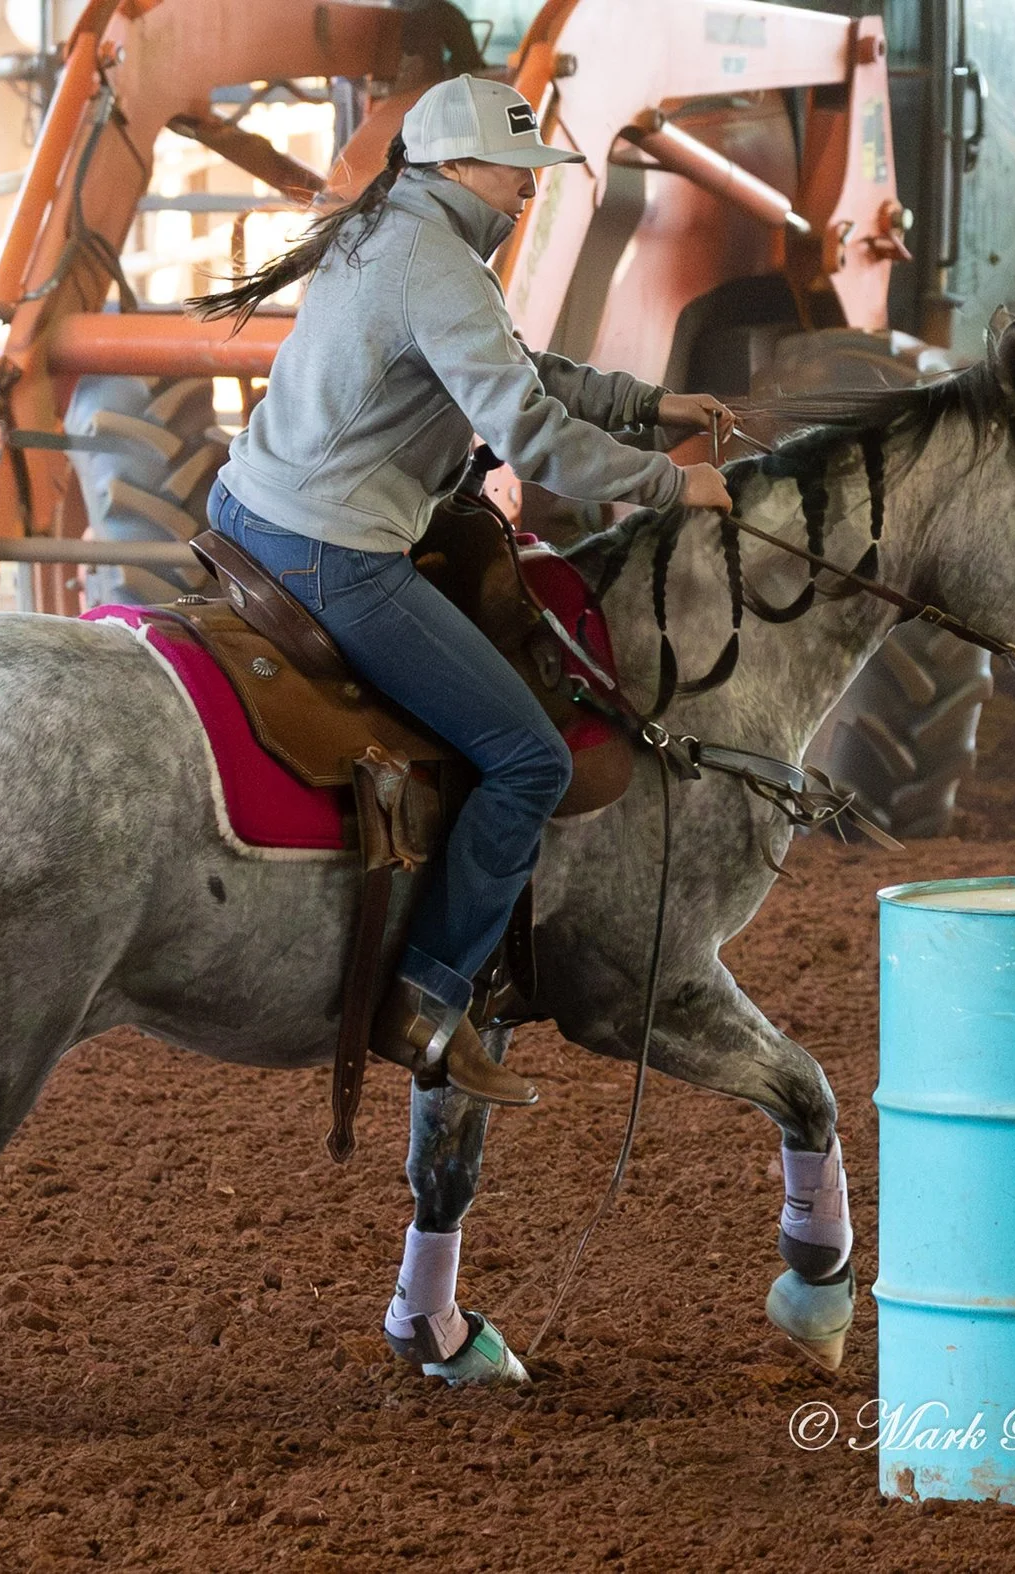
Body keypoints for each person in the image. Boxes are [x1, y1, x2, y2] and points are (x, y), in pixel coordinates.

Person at [192, 75, 737, 1109]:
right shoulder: (437, 264)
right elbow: (528, 433)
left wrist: (647, 401)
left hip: (252, 509)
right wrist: (672, 481)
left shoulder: (389, 233)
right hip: (332, 550)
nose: (525, 192)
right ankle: (424, 993)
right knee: (527, 759)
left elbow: (516, 373)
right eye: (512, 173)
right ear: (451, 166)